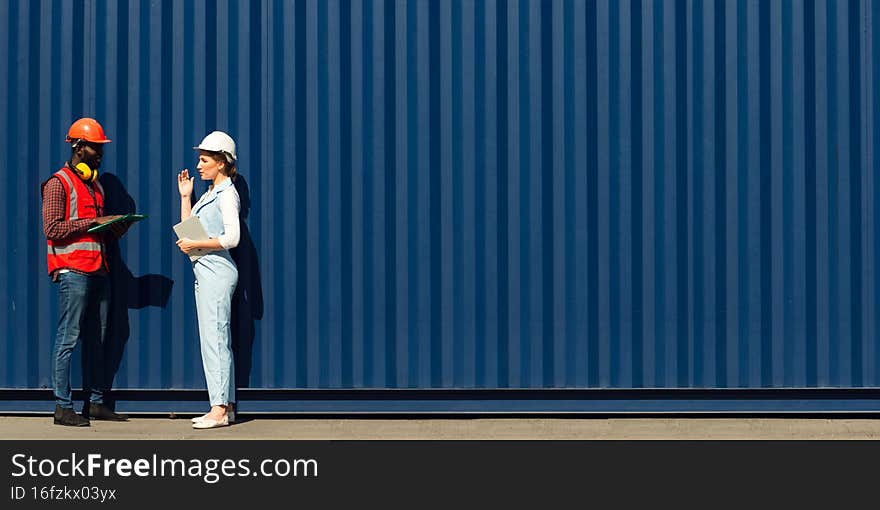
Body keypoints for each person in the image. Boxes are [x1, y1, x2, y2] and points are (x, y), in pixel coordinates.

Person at [41, 117, 131, 426]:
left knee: (97, 339)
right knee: (69, 338)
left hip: (99, 271)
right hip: (73, 272)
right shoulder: (58, 183)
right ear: (78, 148)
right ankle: (63, 407)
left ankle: (94, 404)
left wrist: (114, 227)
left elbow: (94, 230)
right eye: (95, 148)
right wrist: (91, 224)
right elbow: (51, 228)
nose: (100, 153)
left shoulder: (96, 186)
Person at [177, 131, 240, 429]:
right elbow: (190, 231)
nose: (199, 166)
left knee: (214, 341)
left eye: (204, 160)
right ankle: (226, 406)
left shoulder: (227, 195)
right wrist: (186, 197)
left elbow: (233, 237)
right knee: (216, 340)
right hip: (206, 271)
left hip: (217, 272)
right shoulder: (209, 194)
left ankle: (218, 411)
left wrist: (197, 246)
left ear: (221, 162)